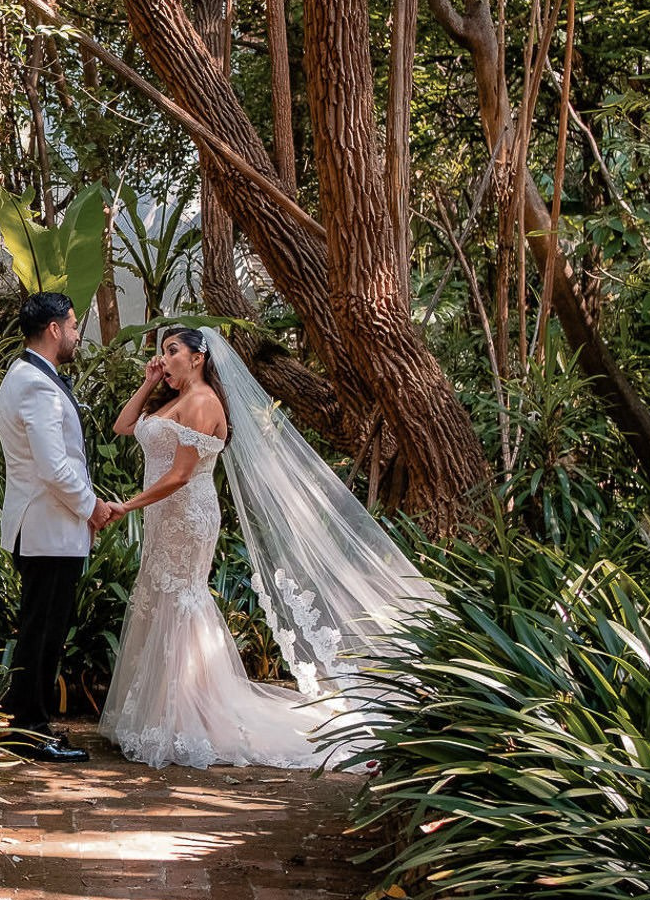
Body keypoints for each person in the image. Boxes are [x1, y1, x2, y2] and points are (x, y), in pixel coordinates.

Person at [95, 327, 441, 769]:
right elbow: (123, 426)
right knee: (161, 596)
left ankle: (189, 712)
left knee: (182, 598)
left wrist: (127, 505)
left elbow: (182, 474)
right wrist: (147, 382)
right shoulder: (172, 399)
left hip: (187, 515)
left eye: (173, 350)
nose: (164, 359)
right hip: (165, 516)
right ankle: (169, 708)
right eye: (162, 352)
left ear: (199, 357)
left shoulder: (202, 402)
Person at [0, 292, 118, 764]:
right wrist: (93, 507)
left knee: (41, 628)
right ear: (53, 329)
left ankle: (25, 715)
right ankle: (30, 729)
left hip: (47, 527)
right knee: (42, 632)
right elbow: (54, 467)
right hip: (47, 527)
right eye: (72, 324)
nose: (76, 333)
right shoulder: (35, 385)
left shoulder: (28, 376)